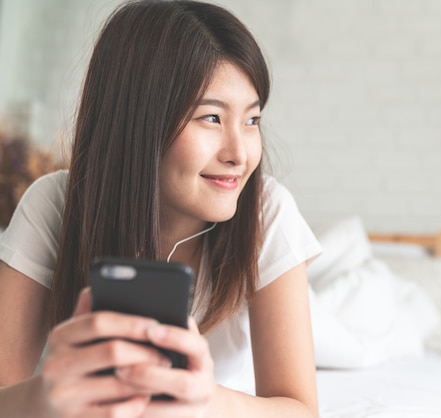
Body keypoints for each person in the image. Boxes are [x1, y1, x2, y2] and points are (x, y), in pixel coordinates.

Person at [0, 1, 321, 416]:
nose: (240, 154)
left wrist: (207, 400)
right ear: (140, 123)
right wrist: (46, 395)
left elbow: (300, 409)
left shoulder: (267, 212)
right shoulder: (54, 204)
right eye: (211, 118)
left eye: (252, 120)